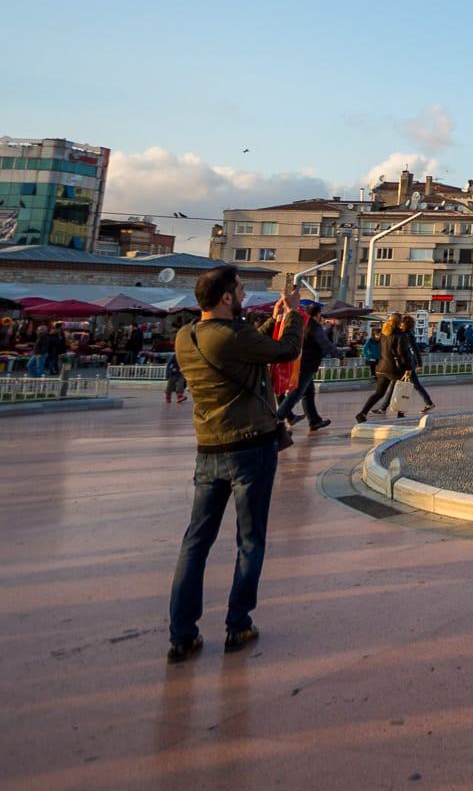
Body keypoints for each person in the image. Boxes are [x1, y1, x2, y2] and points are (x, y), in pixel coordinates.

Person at [167, 267, 299, 664]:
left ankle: (182, 633)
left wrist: (269, 321)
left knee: (195, 543)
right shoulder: (235, 336)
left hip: (208, 449)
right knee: (250, 539)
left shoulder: (186, 336)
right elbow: (286, 351)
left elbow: (239, 345)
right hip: (250, 449)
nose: (244, 295)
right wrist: (291, 316)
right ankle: (237, 623)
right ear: (226, 298)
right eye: (240, 290)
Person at [275, 302, 331, 433]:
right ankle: (277, 418)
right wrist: (339, 355)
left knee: (308, 393)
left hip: (300, 362)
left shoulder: (302, 324)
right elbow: (325, 343)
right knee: (296, 394)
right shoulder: (315, 327)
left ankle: (315, 420)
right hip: (307, 364)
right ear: (318, 314)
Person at [354, 315, 410, 424]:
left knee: (379, 393)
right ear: (399, 322)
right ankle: (400, 414)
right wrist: (407, 367)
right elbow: (402, 353)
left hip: (381, 366)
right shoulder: (400, 335)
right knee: (401, 389)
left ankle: (362, 413)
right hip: (394, 368)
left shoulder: (384, 334)